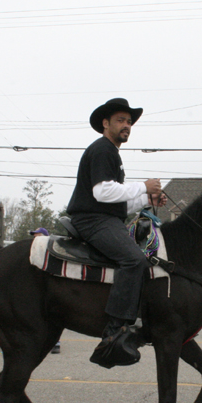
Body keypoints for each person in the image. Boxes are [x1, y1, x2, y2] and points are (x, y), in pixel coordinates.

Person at [66, 98, 166, 368]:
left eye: (129, 122)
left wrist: (148, 200)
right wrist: (143, 186)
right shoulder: (103, 149)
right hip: (92, 220)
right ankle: (113, 329)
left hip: (105, 218)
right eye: (121, 120)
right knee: (135, 260)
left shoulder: (113, 154)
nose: (126, 125)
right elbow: (102, 192)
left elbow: (117, 203)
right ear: (105, 124)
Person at [29, 227, 60, 354]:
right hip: (36, 290)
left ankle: (56, 343)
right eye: (34, 236)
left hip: (49, 291)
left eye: (38, 236)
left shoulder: (51, 254)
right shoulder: (32, 254)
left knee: (53, 315)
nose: (35, 239)